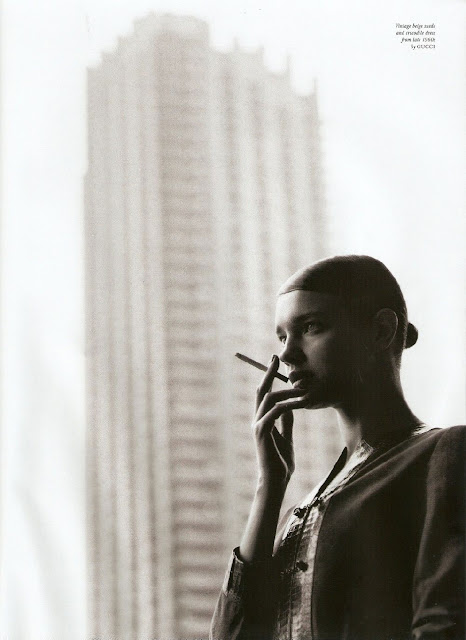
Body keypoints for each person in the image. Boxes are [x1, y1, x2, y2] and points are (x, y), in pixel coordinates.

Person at [210, 255, 465, 640]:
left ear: (380, 331)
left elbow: (445, 624)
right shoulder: (296, 514)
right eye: (282, 337)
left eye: (310, 327)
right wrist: (270, 486)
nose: (287, 354)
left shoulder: (444, 454)